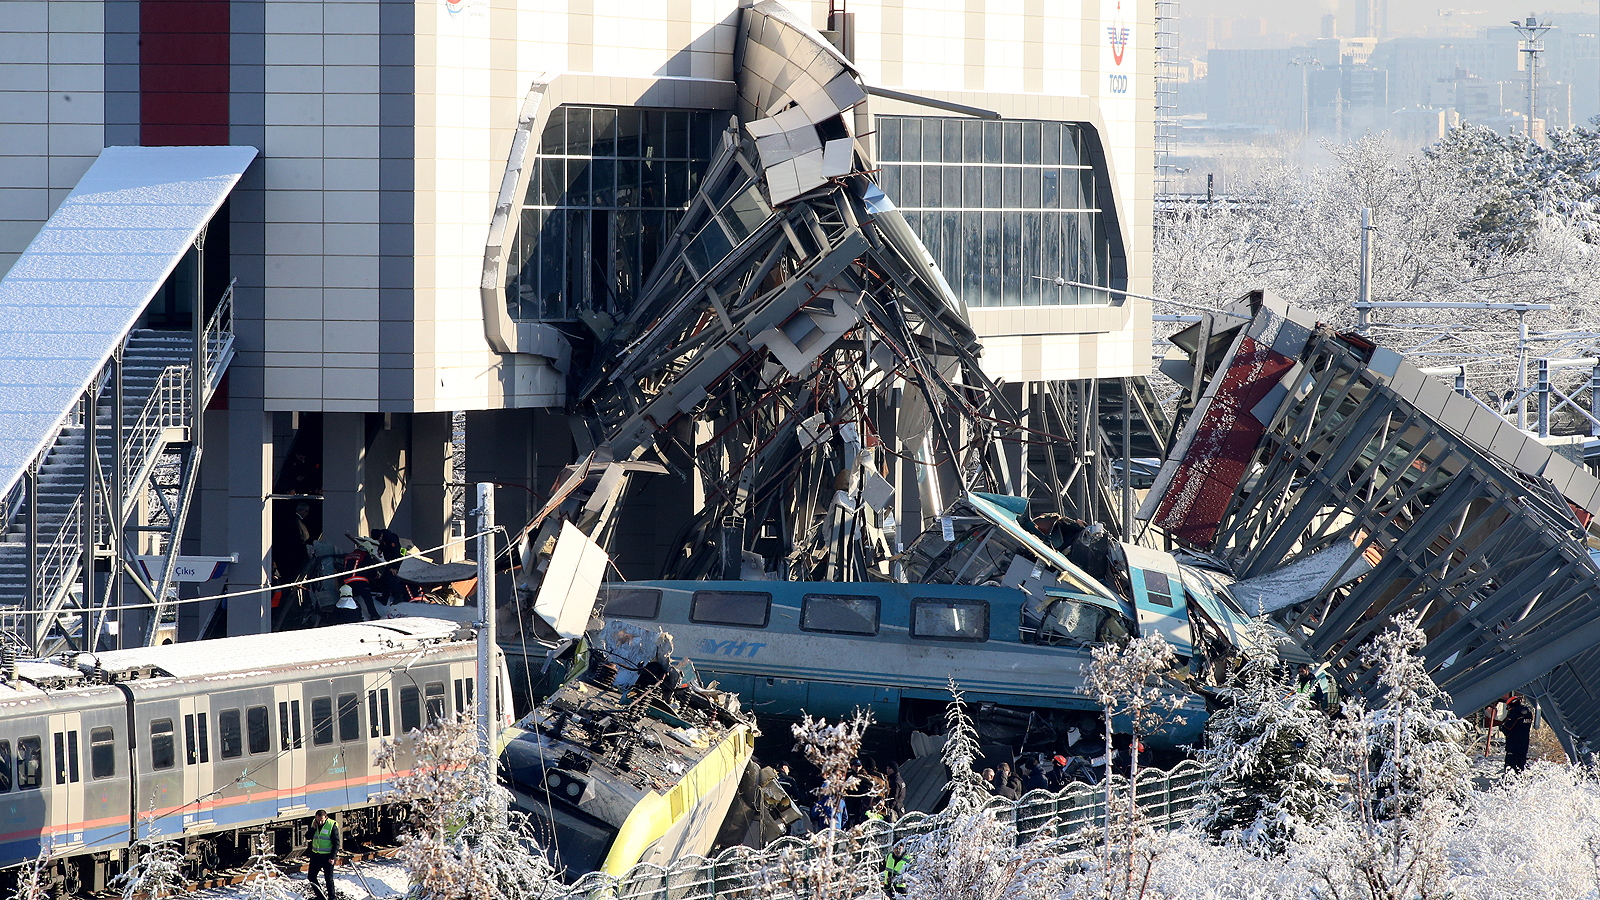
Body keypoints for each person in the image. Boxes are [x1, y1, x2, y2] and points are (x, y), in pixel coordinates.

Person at [307, 809, 341, 900]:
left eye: (321, 820)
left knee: (328, 879)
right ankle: (321, 897)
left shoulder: (331, 825)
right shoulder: (314, 824)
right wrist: (313, 828)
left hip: (327, 857)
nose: (320, 822)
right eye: (318, 820)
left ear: (326, 817)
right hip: (316, 856)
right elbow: (307, 837)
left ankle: (332, 898)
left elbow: (336, 843)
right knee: (311, 877)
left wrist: (332, 857)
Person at [1500, 694, 1535, 772]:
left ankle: (1509, 781)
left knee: (1510, 767)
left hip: (1513, 744)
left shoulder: (1515, 713)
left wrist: (1502, 727)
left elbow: (1507, 728)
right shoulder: (1528, 713)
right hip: (1524, 743)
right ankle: (1519, 780)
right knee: (1520, 765)